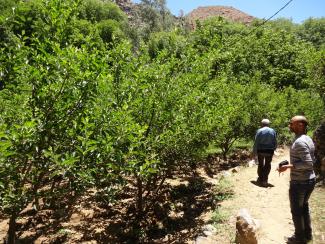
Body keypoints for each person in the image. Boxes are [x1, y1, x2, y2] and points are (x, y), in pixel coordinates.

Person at [278, 115, 316, 243]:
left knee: (296, 210)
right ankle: (308, 234)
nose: (290, 125)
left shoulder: (299, 141)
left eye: (292, 123)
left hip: (300, 182)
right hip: (309, 180)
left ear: (300, 125)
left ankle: (299, 238)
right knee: (304, 207)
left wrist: (288, 166)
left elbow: (308, 163)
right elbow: (310, 160)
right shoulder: (307, 138)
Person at [253, 118, 277, 186]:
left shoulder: (259, 131)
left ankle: (260, 178)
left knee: (261, 164)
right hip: (270, 151)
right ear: (268, 124)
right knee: (267, 165)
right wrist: (274, 149)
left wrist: (254, 152)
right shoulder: (273, 131)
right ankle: (265, 180)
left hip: (260, 150)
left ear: (262, 124)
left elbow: (256, 142)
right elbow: (275, 141)